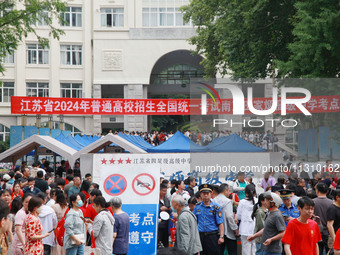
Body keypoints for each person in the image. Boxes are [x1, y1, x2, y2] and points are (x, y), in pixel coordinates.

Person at [193, 184, 224, 255]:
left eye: (207, 193)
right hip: (200, 236)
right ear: (200, 194)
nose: (206, 195)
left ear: (211, 194)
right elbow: (194, 222)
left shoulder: (216, 207)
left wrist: (221, 236)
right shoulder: (197, 207)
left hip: (212, 236)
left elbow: (220, 222)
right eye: (204, 193)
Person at [213, 183, 238, 255]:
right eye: (229, 191)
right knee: (232, 252)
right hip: (228, 231)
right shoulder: (228, 201)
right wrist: (235, 228)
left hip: (217, 231)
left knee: (219, 252)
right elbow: (229, 216)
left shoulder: (213, 201)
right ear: (225, 191)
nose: (230, 193)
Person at [237, 184, 257, 255]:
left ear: (246, 193)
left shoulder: (242, 202)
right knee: (254, 249)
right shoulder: (258, 201)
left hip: (245, 229)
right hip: (255, 229)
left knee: (246, 250)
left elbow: (238, 216)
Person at [313, 182, 333, 255]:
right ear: (327, 191)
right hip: (329, 233)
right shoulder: (332, 203)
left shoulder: (312, 202)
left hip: (316, 233)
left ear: (317, 191)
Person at [158, 183, 171, 248]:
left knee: (166, 244)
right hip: (159, 225)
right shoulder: (155, 201)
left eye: (166, 191)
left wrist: (169, 209)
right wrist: (160, 209)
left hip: (166, 225)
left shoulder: (167, 200)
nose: (165, 192)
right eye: (163, 191)